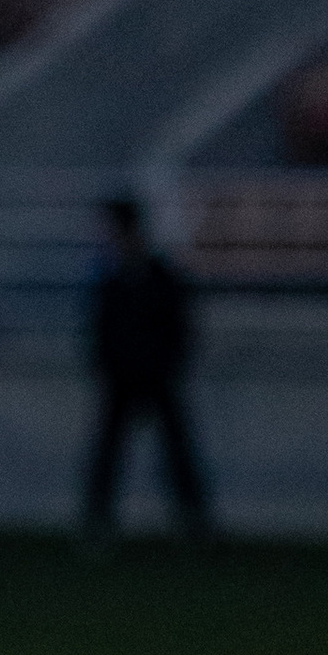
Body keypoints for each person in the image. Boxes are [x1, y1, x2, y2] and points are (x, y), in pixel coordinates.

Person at [81, 194, 210, 541]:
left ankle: (195, 523)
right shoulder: (115, 278)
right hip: (124, 375)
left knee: (174, 450)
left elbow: (177, 327)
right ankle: (99, 523)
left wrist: (165, 363)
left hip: (154, 374)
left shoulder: (157, 275)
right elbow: (102, 330)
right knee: (113, 451)